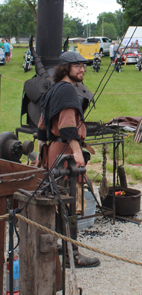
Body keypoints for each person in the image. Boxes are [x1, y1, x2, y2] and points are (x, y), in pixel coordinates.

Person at [37, 51, 101, 268]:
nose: (82, 69)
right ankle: (71, 255)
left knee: (58, 203)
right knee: (69, 204)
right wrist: (76, 152)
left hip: (53, 153)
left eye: (83, 65)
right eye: (77, 66)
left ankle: (59, 247)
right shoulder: (66, 91)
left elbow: (41, 127)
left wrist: (40, 155)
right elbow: (66, 126)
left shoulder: (53, 89)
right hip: (64, 154)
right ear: (65, 68)